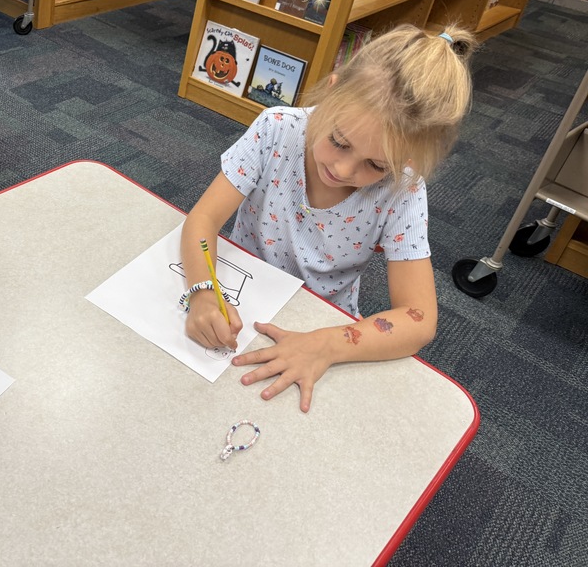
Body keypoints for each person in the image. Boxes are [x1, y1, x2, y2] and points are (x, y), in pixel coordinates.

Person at [180, 24, 475, 412]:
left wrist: (326, 344)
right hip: (240, 298)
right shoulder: (276, 131)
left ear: (406, 160)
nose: (343, 169)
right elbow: (202, 221)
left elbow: (419, 320)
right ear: (332, 91)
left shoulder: (402, 191)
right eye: (339, 141)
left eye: (374, 164)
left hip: (327, 325)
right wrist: (201, 292)